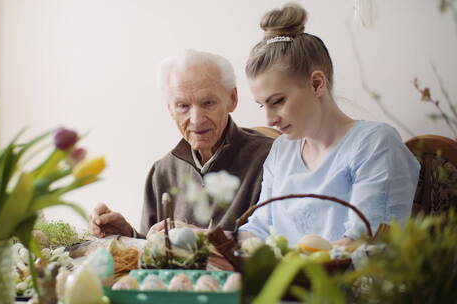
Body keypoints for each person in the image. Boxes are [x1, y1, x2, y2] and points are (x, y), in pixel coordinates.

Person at [238, 3, 420, 246]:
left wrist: (286, 267)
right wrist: (207, 240)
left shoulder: (375, 145)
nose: (269, 119)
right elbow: (259, 228)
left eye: (278, 101)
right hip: (287, 280)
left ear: (316, 84)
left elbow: (364, 244)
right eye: (263, 105)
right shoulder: (281, 150)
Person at [91, 49, 273, 238]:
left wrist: (201, 237)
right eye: (183, 106)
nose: (196, 120)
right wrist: (129, 236)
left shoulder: (270, 157)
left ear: (232, 99)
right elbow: (153, 256)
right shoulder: (162, 171)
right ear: (170, 109)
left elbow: (278, 246)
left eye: (208, 103)